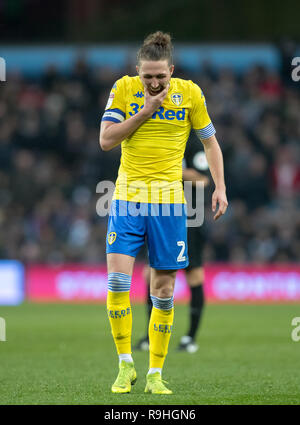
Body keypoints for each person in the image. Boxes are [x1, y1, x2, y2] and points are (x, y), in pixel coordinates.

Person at [99, 31, 228, 395]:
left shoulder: (191, 94)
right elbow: (106, 140)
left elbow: (210, 142)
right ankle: (125, 367)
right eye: (148, 76)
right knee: (117, 283)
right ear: (138, 71)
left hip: (170, 204)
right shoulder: (123, 89)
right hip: (126, 198)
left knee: (165, 290)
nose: (154, 83)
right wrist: (145, 112)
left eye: (161, 76)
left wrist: (220, 186)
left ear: (171, 70)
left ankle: (155, 372)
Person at [134, 133, 211, 354]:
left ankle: (190, 338)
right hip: (159, 214)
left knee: (193, 274)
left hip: (189, 218)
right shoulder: (159, 137)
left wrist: (170, 172)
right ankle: (150, 336)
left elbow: (204, 180)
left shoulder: (193, 144)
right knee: (150, 274)